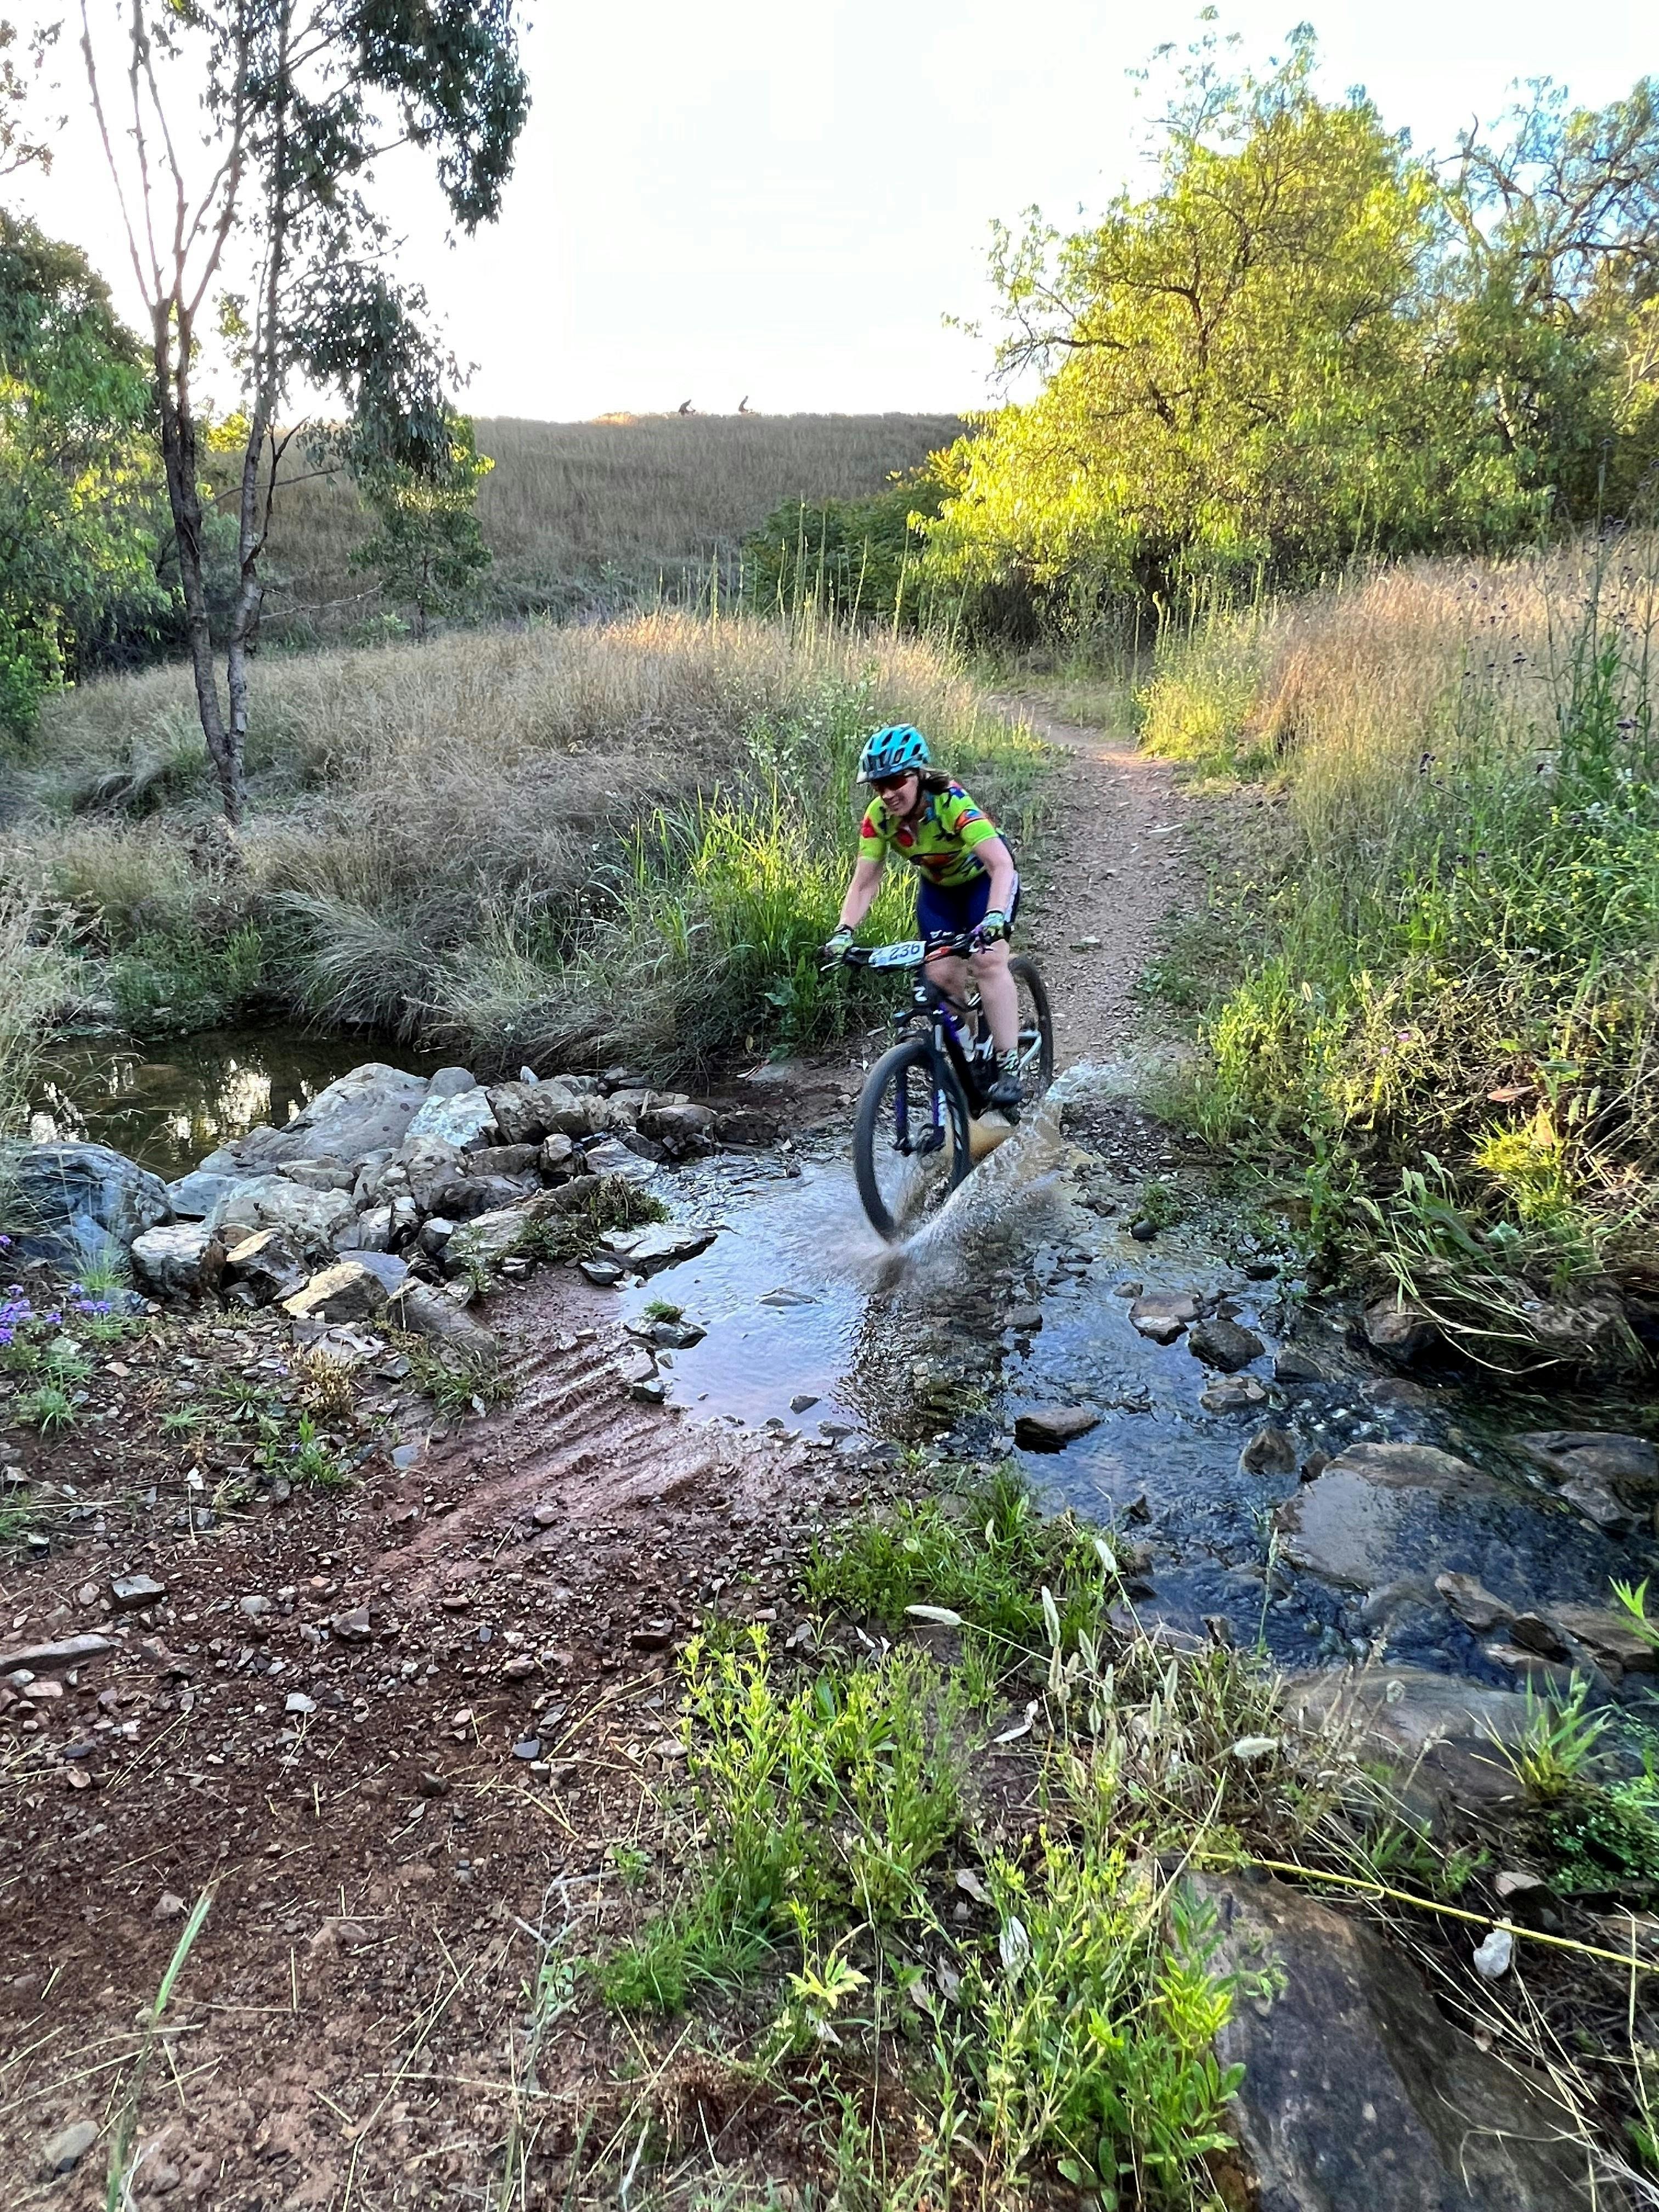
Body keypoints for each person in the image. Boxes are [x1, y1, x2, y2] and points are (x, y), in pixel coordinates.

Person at [824, 723, 1025, 1108]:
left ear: (917, 773)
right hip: (940, 892)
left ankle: (1008, 1063)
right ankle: (968, 1061)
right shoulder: (879, 818)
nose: (888, 793)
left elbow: (1001, 865)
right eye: (878, 786)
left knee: (987, 960)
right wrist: (844, 931)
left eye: (896, 780)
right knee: (941, 978)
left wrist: (996, 916)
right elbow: (865, 883)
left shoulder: (950, 802)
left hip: (986, 880)